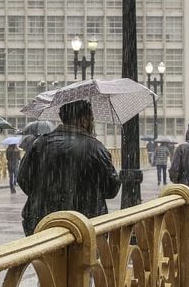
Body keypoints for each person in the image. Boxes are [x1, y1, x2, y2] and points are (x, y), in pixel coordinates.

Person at [17, 100, 121, 235]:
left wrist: (44, 197)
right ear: (83, 120)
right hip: (83, 226)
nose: (92, 123)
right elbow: (111, 190)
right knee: (82, 256)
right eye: (91, 119)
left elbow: (23, 178)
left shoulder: (40, 143)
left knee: (43, 256)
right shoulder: (95, 148)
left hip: (42, 223)